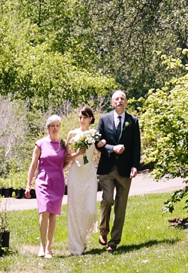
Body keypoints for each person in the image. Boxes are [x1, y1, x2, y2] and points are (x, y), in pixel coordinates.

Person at [96, 90, 141, 252]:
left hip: (125, 169)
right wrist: (112, 148)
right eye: (117, 99)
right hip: (107, 168)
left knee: (121, 206)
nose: (120, 101)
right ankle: (103, 231)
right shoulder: (104, 119)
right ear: (112, 103)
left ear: (126, 102)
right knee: (107, 199)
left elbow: (136, 145)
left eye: (122, 98)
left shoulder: (133, 121)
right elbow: (97, 142)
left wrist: (135, 166)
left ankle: (114, 240)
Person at [25, 114, 68, 258]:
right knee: (44, 212)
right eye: (52, 126)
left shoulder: (63, 144)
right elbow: (32, 165)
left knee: (53, 215)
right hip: (43, 181)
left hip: (58, 182)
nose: (55, 128)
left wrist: (75, 157)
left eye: (57, 125)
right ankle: (42, 247)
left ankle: (49, 247)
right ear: (48, 128)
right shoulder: (40, 144)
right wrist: (28, 185)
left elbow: (65, 163)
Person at [65, 106, 100, 255]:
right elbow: (66, 158)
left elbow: (100, 152)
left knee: (89, 209)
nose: (82, 120)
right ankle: (77, 245)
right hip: (76, 173)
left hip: (90, 174)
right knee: (75, 210)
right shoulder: (72, 133)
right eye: (80, 117)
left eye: (85, 117)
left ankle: (84, 236)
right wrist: (77, 154)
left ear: (91, 118)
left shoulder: (95, 134)